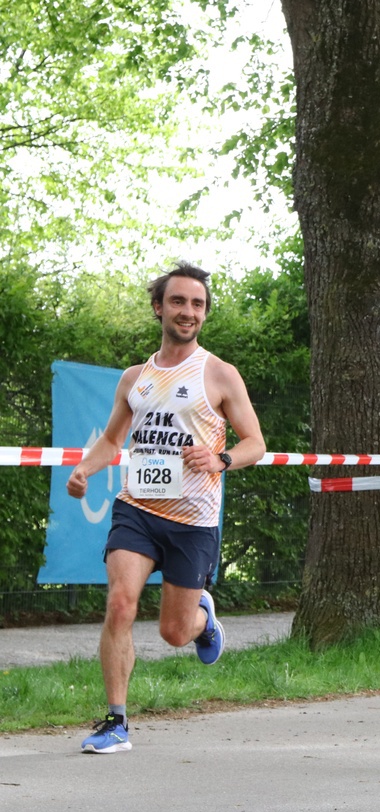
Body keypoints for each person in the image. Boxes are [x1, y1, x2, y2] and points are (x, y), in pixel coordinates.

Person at [66, 262, 266, 754]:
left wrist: (220, 459)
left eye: (197, 304)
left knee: (174, 633)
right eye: (178, 301)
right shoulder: (135, 378)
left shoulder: (219, 374)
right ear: (159, 307)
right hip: (136, 509)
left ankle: (203, 621)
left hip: (193, 521)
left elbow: (255, 443)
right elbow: (112, 440)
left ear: (204, 313)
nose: (188, 311)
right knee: (120, 603)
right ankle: (115, 723)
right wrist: (85, 469)